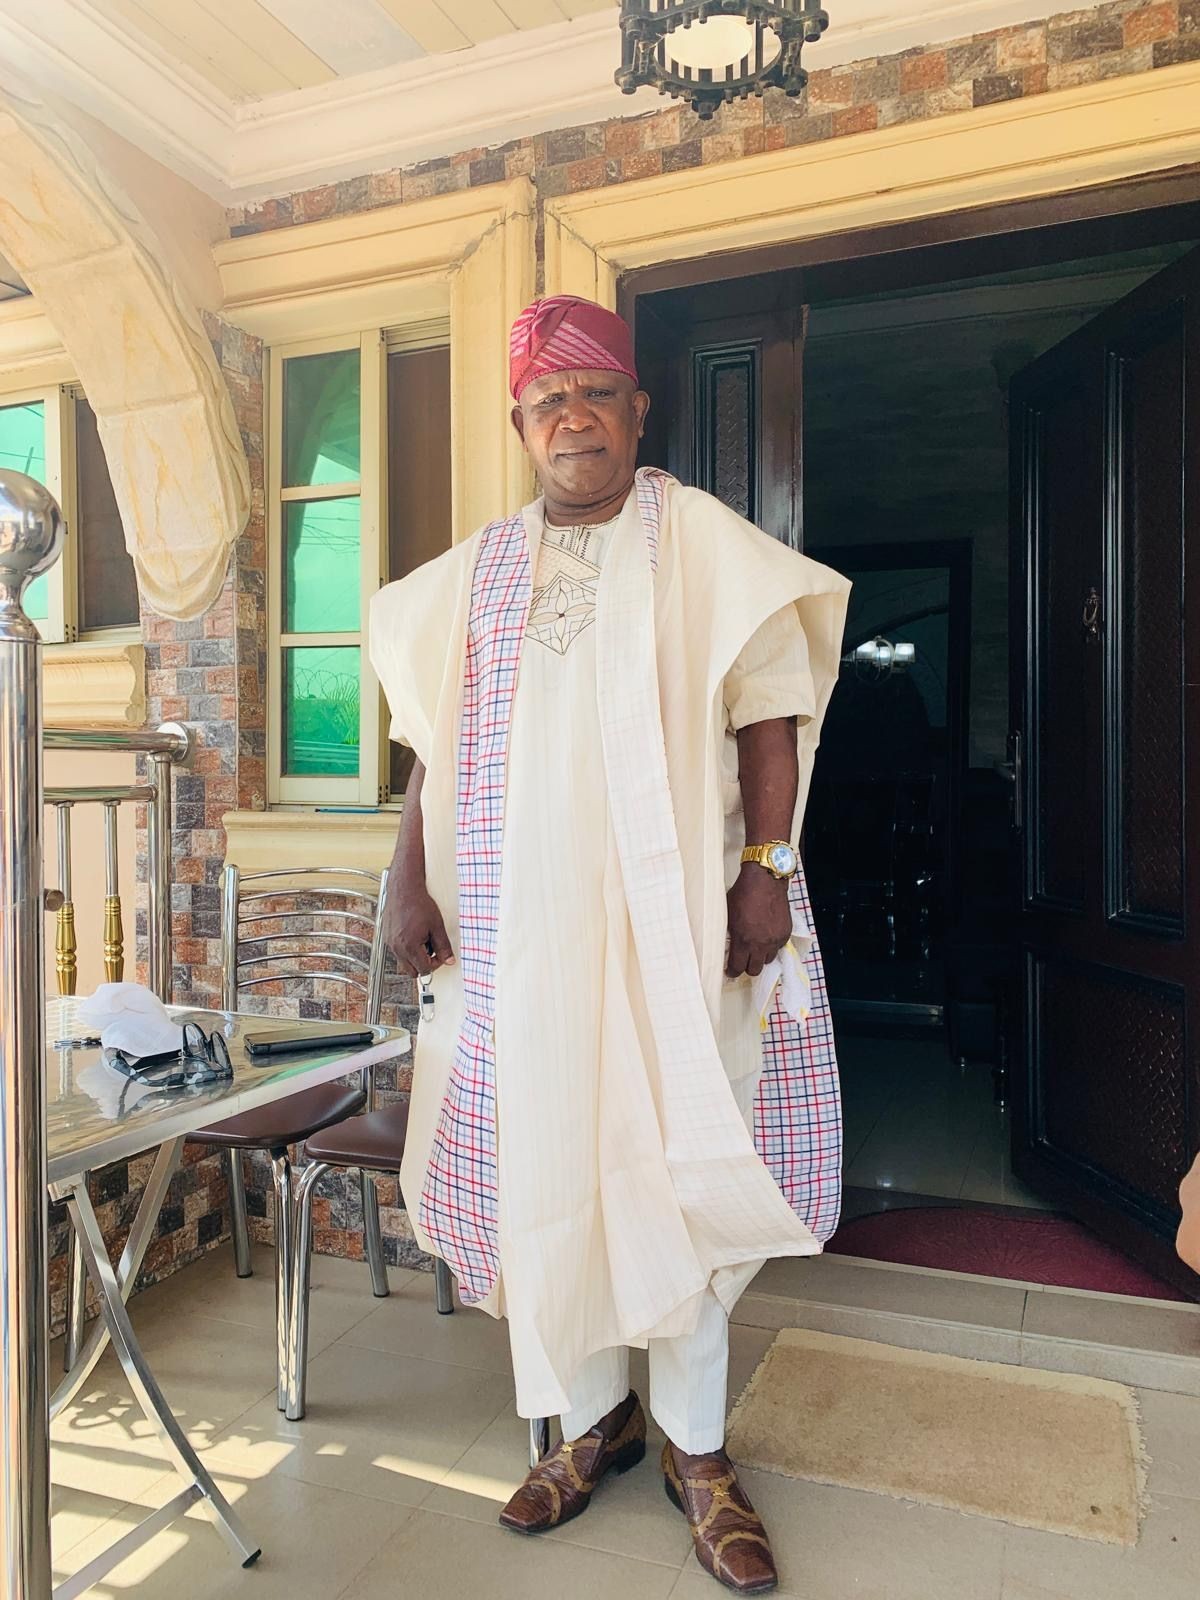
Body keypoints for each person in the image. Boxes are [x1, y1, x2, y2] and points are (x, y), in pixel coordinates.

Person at [370, 295, 850, 1595]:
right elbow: (427, 743)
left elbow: (769, 716)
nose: (570, 417)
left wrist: (767, 873)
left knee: (676, 1161)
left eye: (594, 394)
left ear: (637, 413)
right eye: (546, 401)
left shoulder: (702, 543)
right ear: (521, 426)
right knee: (551, 1169)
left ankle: (701, 1454)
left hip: (677, 925)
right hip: (513, 939)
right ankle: (594, 1429)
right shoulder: (471, 575)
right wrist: (409, 876)